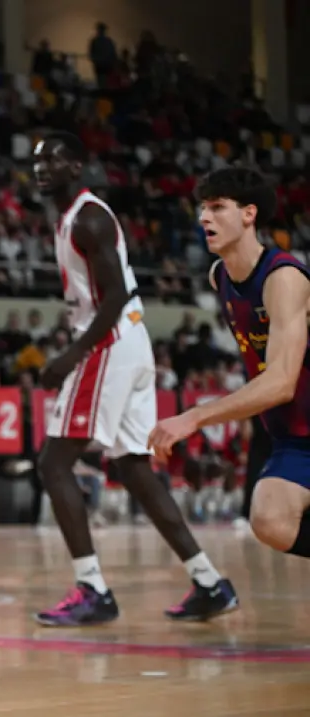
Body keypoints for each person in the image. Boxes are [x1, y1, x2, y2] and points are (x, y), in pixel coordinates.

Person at [30, 132, 236, 626]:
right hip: (127, 341)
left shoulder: (89, 217)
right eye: (36, 161)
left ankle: (93, 590)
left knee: (54, 463)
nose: (40, 168)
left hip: (110, 343)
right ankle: (209, 582)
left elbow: (117, 294)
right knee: (134, 469)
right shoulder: (69, 216)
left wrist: (71, 355)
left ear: (75, 167)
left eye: (52, 160)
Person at [150, 167, 310, 559]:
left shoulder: (284, 277)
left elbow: (281, 382)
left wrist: (193, 417)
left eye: (218, 207)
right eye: (203, 208)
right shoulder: (218, 277)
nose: (205, 217)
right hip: (295, 436)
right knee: (270, 520)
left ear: (248, 214)